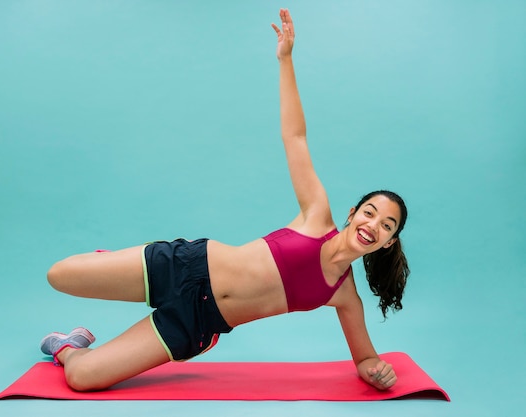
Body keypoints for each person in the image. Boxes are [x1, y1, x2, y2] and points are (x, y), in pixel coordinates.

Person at [39, 8, 410, 393]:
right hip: (188, 267)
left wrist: (377, 372)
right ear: (352, 214)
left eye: (386, 225)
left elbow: (366, 359)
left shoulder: (345, 295)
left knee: (82, 378)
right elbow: (295, 137)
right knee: (59, 275)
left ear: (390, 241)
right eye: (370, 212)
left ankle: (68, 345)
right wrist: (285, 60)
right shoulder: (317, 216)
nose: (373, 225)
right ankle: (114, 261)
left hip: (198, 321)